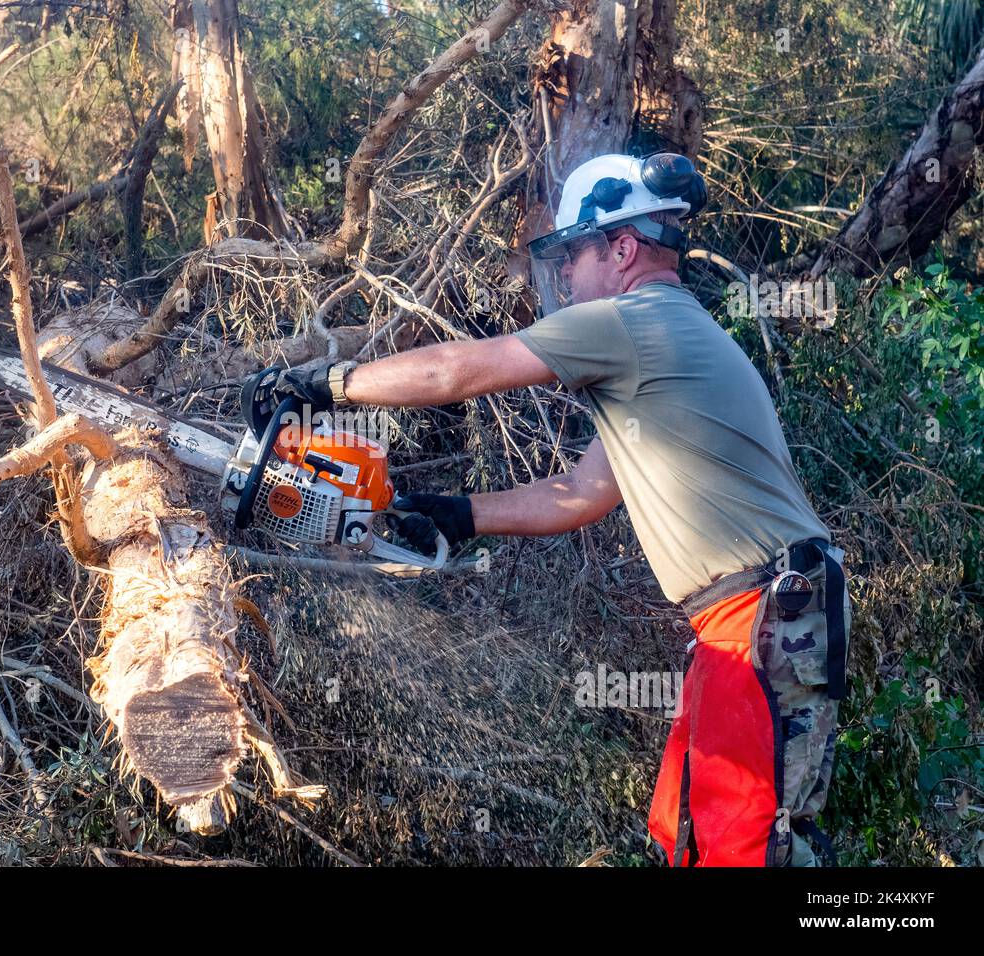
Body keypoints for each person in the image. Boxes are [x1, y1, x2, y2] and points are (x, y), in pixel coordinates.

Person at [268, 153, 850, 867]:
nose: (567, 276)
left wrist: (328, 382)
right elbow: (578, 495)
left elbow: (458, 371)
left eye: (573, 254)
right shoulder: (662, 349)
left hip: (764, 616)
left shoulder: (635, 321)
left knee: (750, 845)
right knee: (691, 832)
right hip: (744, 618)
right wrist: (459, 513)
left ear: (624, 249)